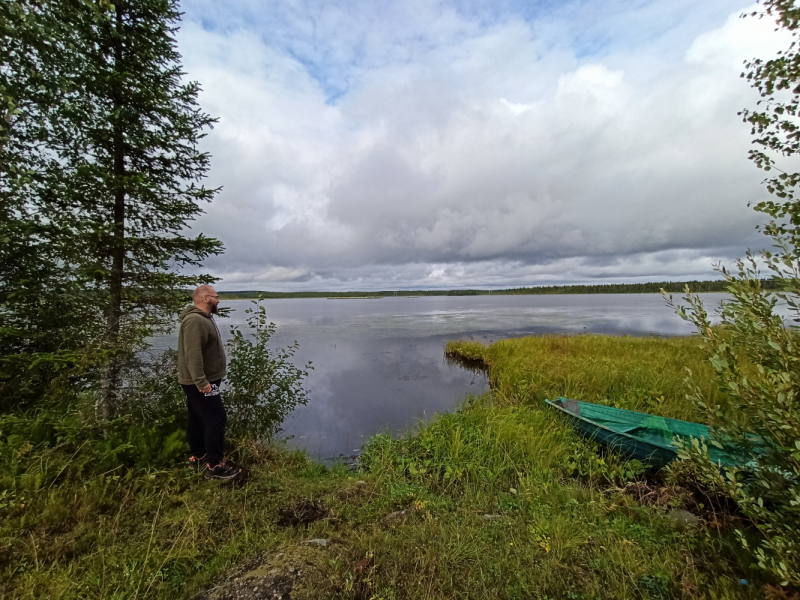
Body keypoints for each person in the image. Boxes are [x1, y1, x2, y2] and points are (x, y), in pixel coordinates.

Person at [177, 284, 241, 480]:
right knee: (216, 418)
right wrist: (201, 382)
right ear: (205, 298)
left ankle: (199, 456)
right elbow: (193, 355)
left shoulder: (203, 319)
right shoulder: (195, 321)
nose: (219, 300)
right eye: (216, 296)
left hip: (204, 380)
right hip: (202, 382)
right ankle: (215, 466)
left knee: (197, 417)